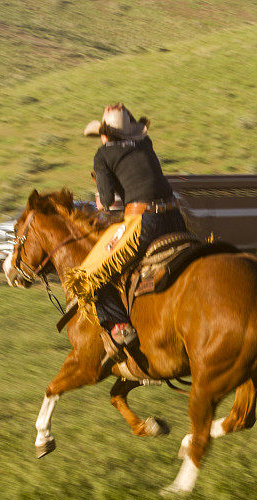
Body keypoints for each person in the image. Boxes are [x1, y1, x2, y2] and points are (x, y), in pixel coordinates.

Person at [67, 103, 186, 357]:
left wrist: (101, 195)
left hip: (146, 223)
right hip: (175, 217)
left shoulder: (102, 155)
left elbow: (108, 202)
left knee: (91, 275)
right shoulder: (145, 144)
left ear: (104, 134)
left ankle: (120, 326)